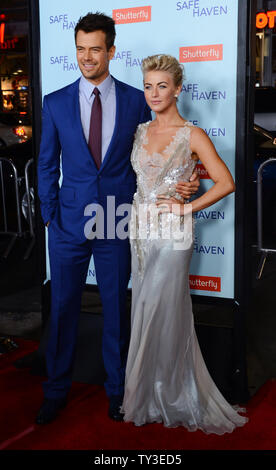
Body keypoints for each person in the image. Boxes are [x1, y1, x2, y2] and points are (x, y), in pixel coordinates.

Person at [36, 14, 199, 425]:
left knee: (116, 309)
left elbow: (164, 142)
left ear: (111, 51)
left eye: (95, 49)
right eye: (80, 48)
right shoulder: (54, 101)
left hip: (117, 220)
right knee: (63, 308)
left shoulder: (133, 99)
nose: (86, 57)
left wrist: (189, 177)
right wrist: (50, 215)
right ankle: (56, 390)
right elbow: (45, 164)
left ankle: (117, 391)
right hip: (67, 224)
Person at [121, 54, 248, 434]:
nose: (154, 93)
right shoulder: (140, 131)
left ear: (178, 89)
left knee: (165, 308)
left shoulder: (192, 135)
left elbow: (226, 183)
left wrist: (187, 206)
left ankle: (172, 394)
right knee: (143, 306)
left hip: (174, 236)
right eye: (148, 86)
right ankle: (145, 394)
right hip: (139, 232)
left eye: (162, 86)